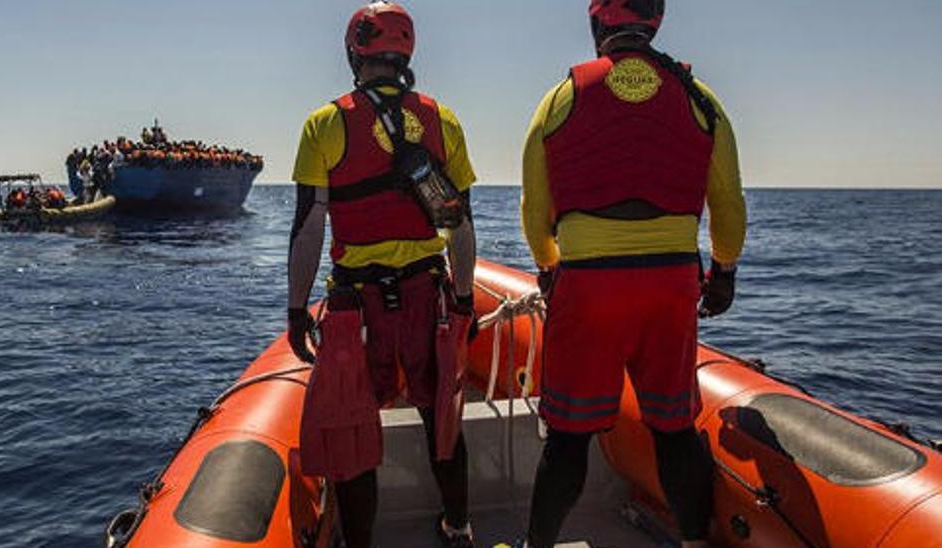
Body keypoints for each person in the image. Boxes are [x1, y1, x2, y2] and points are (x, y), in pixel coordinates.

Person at [516, 1, 747, 547]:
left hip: (589, 285)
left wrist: (549, 265)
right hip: (670, 286)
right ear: (655, 22)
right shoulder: (700, 99)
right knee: (673, 428)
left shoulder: (561, 97)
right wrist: (724, 271)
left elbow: (533, 206)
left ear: (598, 24)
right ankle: (693, 541)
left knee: (568, 439)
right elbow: (728, 203)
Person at [287, 2, 479, 547]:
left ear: (355, 51)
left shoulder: (324, 123)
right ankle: (458, 526)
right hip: (427, 297)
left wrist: (297, 310)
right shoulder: (444, 120)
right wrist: (463, 301)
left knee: (351, 431)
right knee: (440, 417)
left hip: (356, 307)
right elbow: (460, 229)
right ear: (405, 52)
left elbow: (308, 228)